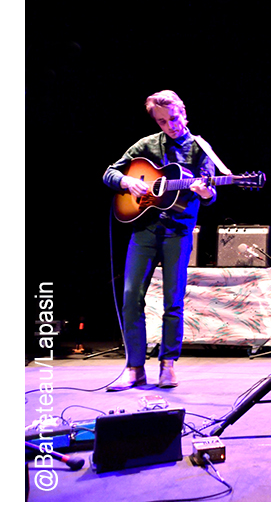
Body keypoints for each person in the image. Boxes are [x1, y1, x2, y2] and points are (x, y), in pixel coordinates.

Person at [103, 90, 217, 390]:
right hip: (144, 230)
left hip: (177, 233)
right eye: (162, 121)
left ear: (184, 112)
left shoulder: (199, 148)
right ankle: (134, 367)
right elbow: (110, 173)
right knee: (130, 298)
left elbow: (210, 193)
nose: (170, 126)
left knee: (173, 301)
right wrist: (127, 181)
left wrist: (206, 191)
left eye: (173, 118)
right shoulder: (147, 145)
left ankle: (168, 365)